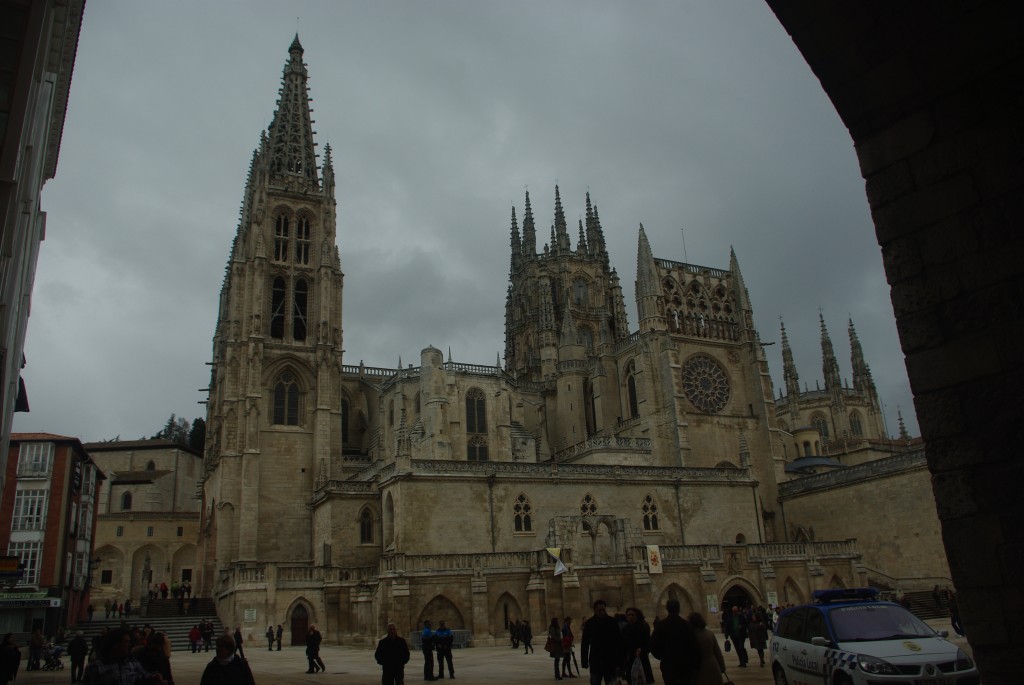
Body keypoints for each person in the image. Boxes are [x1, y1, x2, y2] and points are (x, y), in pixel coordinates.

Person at [82, 627, 160, 685]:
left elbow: (145, 677)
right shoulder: (95, 668)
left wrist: (155, 678)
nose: (129, 645)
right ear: (115, 644)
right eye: (126, 642)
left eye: (129, 642)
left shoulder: (133, 663)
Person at [649, 599, 701, 685]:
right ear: (679, 608)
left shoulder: (661, 625)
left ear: (667, 609)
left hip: (668, 665)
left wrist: (662, 656)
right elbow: (694, 646)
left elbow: (653, 645)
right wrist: (696, 664)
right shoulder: (687, 625)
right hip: (685, 665)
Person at [580, 600, 625, 685]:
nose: (602, 612)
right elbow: (585, 643)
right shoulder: (590, 623)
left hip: (610, 660)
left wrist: (620, 661)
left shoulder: (612, 622)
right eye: (599, 610)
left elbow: (619, 642)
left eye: (603, 610)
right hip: (596, 660)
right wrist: (584, 661)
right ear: (595, 610)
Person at [688, 613, 727, 685]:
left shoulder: (690, 637)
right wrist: (722, 667)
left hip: (699, 670)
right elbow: (717, 652)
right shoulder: (709, 634)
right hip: (713, 666)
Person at [621, 607, 654, 685]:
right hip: (630, 661)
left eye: (632, 615)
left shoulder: (643, 627)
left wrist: (641, 649)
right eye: (628, 615)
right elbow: (623, 646)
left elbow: (649, 645)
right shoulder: (625, 629)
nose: (630, 617)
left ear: (637, 616)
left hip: (642, 660)